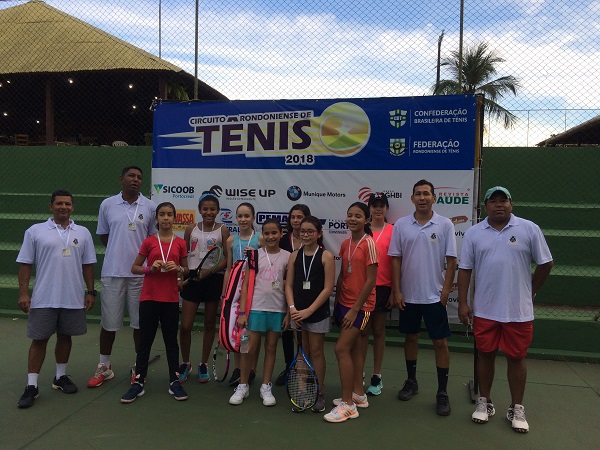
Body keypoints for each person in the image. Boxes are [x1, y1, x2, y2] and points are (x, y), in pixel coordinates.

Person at [458, 186, 553, 433]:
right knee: (486, 354)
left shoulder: (529, 229)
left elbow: (546, 263)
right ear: (486, 206)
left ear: (511, 204)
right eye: (493, 201)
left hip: (518, 311)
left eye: (504, 200)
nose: (499, 205)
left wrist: (531, 289)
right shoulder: (473, 233)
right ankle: (485, 401)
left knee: (516, 358)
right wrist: (464, 303)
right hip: (485, 309)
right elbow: (465, 269)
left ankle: (516, 407)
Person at [16, 190, 97, 408]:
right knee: (39, 340)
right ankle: (31, 386)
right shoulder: (35, 231)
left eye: (68, 204)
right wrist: (24, 293)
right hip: (44, 297)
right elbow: (25, 264)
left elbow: (88, 264)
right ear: (51, 206)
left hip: (72, 298)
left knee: (65, 336)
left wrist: (91, 291)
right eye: (59, 203)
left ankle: (60, 377)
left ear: (73, 207)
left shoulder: (83, 232)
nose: (64, 207)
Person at [389, 179, 457, 416]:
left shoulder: (445, 224)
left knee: (440, 343)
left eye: (426, 194)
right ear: (412, 198)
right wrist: (397, 290)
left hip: (434, 297)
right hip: (408, 296)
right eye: (418, 194)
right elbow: (395, 258)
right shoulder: (401, 225)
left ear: (434, 198)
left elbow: (452, 261)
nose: (422, 197)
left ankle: (442, 392)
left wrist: (446, 291)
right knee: (411, 339)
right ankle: (411, 381)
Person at [88, 166, 156, 388]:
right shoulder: (107, 204)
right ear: (121, 179)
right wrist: (120, 252)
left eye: (139, 177)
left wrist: (139, 263)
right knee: (109, 323)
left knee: (140, 325)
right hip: (113, 272)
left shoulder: (150, 207)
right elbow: (105, 236)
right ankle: (104, 367)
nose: (135, 180)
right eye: (131, 176)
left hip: (140, 275)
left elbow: (152, 241)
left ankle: (139, 367)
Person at [120, 202, 189, 403]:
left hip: (169, 299)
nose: (166, 218)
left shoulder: (180, 243)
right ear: (156, 218)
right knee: (145, 341)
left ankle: (174, 381)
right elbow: (135, 268)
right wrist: (151, 268)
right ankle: (138, 382)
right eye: (162, 214)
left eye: (169, 214)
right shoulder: (149, 241)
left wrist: (177, 268)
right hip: (149, 298)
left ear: (174, 218)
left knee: (171, 342)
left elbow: (186, 270)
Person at [325, 202, 378, 423]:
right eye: (349, 215)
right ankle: (358, 394)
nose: (352, 219)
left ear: (366, 220)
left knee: (340, 348)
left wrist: (355, 309)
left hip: (362, 307)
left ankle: (348, 406)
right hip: (344, 303)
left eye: (358, 216)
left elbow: (371, 280)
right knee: (354, 349)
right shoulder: (346, 244)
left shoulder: (369, 244)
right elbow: (342, 276)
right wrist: (338, 304)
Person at [229, 219, 290, 406]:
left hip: (277, 309)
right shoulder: (254, 255)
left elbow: (289, 285)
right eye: (267, 233)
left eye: (274, 233)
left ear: (281, 234)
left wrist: (288, 312)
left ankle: (265, 385)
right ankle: (243, 385)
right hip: (255, 308)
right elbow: (246, 284)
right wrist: (242, 312)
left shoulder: (289, 256)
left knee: (271, 348)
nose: (270, 237)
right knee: (248, 348)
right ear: (261, 235)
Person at [285, 216, 335, 412]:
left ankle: (319, 392)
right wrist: (292, 309)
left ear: (319, 234)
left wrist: (309, 310)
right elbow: (288, 285)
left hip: (317, 313)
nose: (305, 234)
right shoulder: (294, 255)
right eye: (302, 231)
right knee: (301, 354)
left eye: (310, 231)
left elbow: (328, 288)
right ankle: (303, 393)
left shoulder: (326, 256)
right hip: (297, 314)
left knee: (316, 352)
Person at [178, 192, 230, 383]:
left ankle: (203, 364)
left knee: (209, 323)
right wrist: (182, 275)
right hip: (192, 279)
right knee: (185, 326)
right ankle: (185, 362)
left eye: (212, 209)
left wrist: (210, 270)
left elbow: (227, 258)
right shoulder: (190, 228)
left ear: (217, 211)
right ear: (200, 210)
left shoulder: (223, 230)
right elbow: (183, 255)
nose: (209, 212)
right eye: (205, 209)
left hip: (213, 280)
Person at [222, 202, 263, 386]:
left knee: (250, 329)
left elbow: (263, 266)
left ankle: (251, 368)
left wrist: (253, 255)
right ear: (236, 218)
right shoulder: (231, 240)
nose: (243, 219)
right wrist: (225, 294)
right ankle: (238, 369)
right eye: (240, 216)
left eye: (247, 216)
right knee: (237, 329)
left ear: (253, 217)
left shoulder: (260, 239)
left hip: (254, 289)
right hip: (235, 290)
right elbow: (229, 269)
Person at [359, 193, 394, 397]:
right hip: (363, 287)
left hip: (383, 288)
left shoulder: (393, 231)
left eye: (382, 205)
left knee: (379, 332)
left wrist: (395, 290)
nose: (378, 209)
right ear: (369, 209)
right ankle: (359, 372)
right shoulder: (363, 230)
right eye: (374, 205)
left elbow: (397, 262)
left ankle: (377, 376)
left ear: (387, 208)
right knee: (363, 332)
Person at [276, 203, 312, 386]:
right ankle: (289, 367)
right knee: (287, 330)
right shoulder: (284, 240)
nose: (296, 221)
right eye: (293, 217)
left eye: (299, 217)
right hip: (285, 290)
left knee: (304, 331)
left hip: (306, 291)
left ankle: (305, 368)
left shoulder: (313, 238)